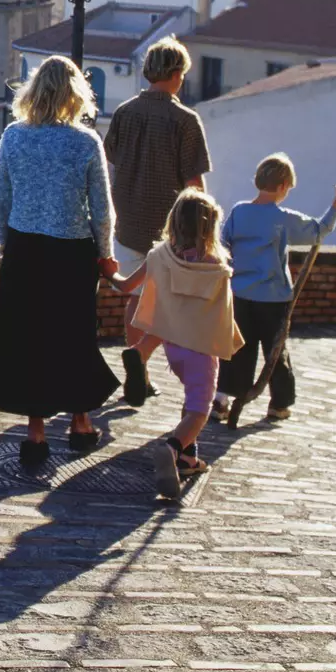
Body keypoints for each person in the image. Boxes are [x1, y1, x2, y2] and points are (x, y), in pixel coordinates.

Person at [0, 55, 120, 469]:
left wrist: (9, 245)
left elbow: (0, 198)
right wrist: (106, 253)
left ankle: (36, 434)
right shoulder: (85, 142)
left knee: (28, 339)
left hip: (25, 248)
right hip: (71, 251)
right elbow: (102, 208)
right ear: (74, 93)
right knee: (73, 335)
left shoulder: (13, 137)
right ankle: (79, 423)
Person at [103, 36, 212, 407]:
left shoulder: (124, 112)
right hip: (171, 229)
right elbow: (194, 182)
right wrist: (205, 225)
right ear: (178, 74)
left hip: (128, 220)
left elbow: (112, 163)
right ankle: (142, 361)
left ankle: (139, 370)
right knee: (167, 302)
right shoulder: (185, 120)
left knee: (135, 297)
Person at [116, 188, 244, 501]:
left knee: (191, 401)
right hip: (201, 350)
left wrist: (109, 270)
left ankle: (188, 458)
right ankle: (172, 449)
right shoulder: (217, 268)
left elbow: (126, 286)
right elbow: (222, 314)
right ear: (210, 227)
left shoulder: (160, 255)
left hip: (172, 346)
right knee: (200, 409)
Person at [214, 153, 336, 423]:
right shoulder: (282, 218)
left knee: (236, 347)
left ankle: (221, 398)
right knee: (275, 350)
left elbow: (224, 244)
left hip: (239, 293)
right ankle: (279, 403)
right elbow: (319, 230)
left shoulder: (239, 211)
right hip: (273, 297)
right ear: (282, 186)